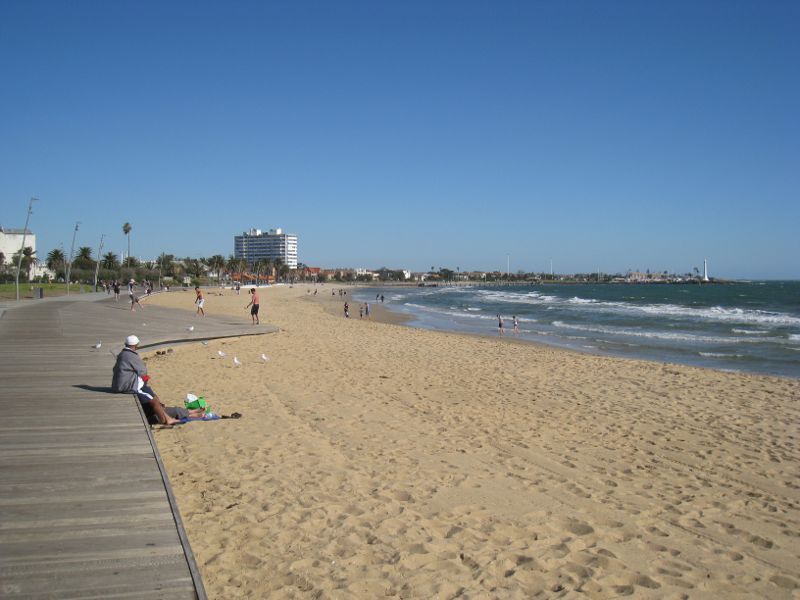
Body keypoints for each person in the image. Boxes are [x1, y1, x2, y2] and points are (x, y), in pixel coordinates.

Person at [111, 335, 198, 425]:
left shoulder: (122, 354)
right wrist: (144, 378)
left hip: (121, 384)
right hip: (127, 386)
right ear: (136, 345)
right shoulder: (131, 356)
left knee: (151, 393)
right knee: (154, 401)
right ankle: (166, 420)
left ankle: (165, 413)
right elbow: (143, 371)